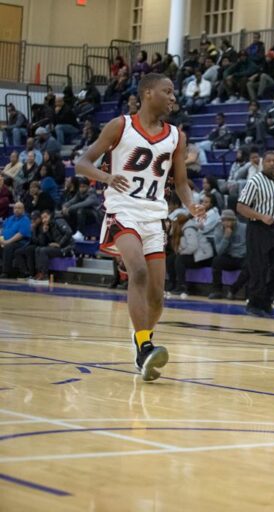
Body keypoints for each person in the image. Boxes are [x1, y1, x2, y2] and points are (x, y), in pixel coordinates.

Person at [75, 73, 205, 381]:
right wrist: (107, 177)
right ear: (147, 93)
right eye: (168, 91)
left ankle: (141, 341)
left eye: (174, 92)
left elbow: (182, 184)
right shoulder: (121, 125)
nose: (174, 97)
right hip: (123, 211)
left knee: (158, 297)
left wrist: (191, 204)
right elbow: (83, 162)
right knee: (139, 272)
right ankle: (146, 345)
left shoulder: (176, 136)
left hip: (153, 215)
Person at [236, 152, 274, 316]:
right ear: (262, 163)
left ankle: (266, 298)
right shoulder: (254, 181)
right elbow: (241, 207)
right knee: (258, 268)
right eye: (268, 161)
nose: (272, 164)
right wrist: (260, 216)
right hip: (258, 228)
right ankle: (254, 304)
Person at [0, 202, 31, 278]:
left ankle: (5, 272)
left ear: (23, 210)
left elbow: (21, 234)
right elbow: (3, 229)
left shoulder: (25, 219)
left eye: (19, 208)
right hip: (6, 240)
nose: (16, 210)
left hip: (21, 242)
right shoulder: (10, 218)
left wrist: (7, 242)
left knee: (8, 247)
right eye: (15, 208)